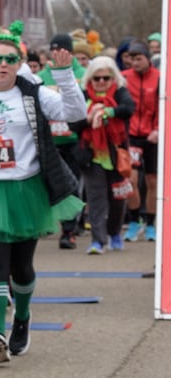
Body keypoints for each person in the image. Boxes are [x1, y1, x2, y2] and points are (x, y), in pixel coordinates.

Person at [0, 21, 86, 363]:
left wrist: (64, 75)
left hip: (27, 189)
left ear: (20, 62)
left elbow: (76, 113)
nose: (3, 65)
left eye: (10, 59)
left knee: (22, 269)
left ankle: (23, 317)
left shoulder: (34, 94)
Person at [77, 56, 137, 253]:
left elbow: (129, 109)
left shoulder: (120, 92)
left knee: (118, 198)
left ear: (113, 78)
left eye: (106, 78)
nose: (101, 82)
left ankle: (114, 233)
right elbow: (72, 122)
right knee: (96, 199)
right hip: (92, 154)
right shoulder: (83, 94)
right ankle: (98, 241)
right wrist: (90, 118)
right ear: (90, 79)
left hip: (116, 153)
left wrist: (107, 112)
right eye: (97, 78)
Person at [43, 33, 89, 249]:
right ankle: (47, 223)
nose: (57, 54)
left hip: (73, 140)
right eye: (54, 50)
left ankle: (69, 230)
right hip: (49, 141)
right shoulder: (43, 75)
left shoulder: (82, 73)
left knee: (71, 186)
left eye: (62, 50)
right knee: (47, 186)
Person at [121, 41, 159, 241]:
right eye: (131, 59)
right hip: (131, 136)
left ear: (147, 59)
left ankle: (151, 223)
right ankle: (135, 221)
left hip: (152, 136)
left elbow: (165, 105)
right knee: (131, 179)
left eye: (138, 59)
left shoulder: (160, 78)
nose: (134, 63)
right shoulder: (124, 78)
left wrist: (158, 130)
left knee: (152, 180)